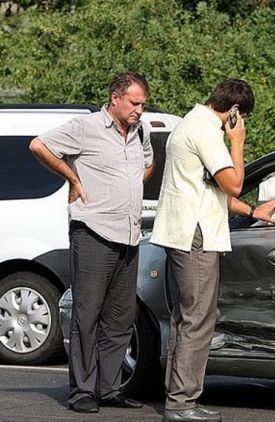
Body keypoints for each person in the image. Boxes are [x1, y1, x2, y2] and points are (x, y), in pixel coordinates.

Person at [150, 79, 275, 422]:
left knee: (185, 318)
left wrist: (253, 212)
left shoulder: (187, 124)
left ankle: (178, 397)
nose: (238, 126)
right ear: (234, 111)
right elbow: (233, 182)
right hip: (196, 235)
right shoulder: (207, 133)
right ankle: (181, 404)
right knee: (198, 319)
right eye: (240, 118)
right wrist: (238, 141)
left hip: (183, 233)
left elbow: (212, 189)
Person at [29, 71, 152, 413]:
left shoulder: (139, 131)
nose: (140, 110)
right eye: (134, 103)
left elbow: (148, 164)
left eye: (143, 104)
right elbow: (39, 145)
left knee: (120, 317)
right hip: (94, 230)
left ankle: (109, 388)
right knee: (87, 314)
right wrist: (72, 177)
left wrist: (128, 188)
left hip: (129, 233)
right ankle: (83, 390)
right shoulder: (87, 128)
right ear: (115, 98)